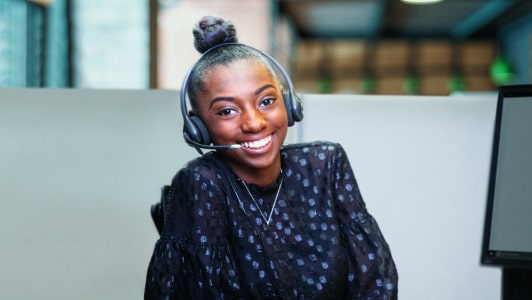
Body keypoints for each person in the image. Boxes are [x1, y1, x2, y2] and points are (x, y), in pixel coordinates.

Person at [144, 15, 398, 299]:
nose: (254, 123)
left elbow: (374, 281)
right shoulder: (203, 183)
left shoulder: (325, 165)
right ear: (199, 127)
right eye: (227, 110)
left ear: (289, 104)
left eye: (267, 101)